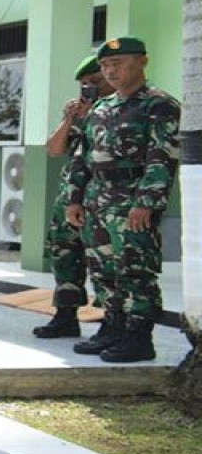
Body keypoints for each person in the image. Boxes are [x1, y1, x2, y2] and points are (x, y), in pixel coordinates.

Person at [62, 36, 180, 363]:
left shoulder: (158, 105)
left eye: (118, 63)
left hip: (132, 200)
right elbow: (83, 156)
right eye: (105, 65)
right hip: (97, 199)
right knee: (103, 269)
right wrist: (74, 198)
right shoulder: (102, 107)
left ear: (142, 62)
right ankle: (113, 327)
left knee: (135, 269)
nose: (110, 71)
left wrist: (146, 203)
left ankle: (139, 337)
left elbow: (161, 157)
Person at [31, 55, 114, 339]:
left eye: (96, 81)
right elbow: (54, 150)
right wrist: (69, 119)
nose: (91, 87)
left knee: (105, 261)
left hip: (104, 198)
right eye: (85, 84)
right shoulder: (79, 111)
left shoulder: (120, 110)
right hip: (69, 197)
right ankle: (65, 316)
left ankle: (111, 321)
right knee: (65, 255)